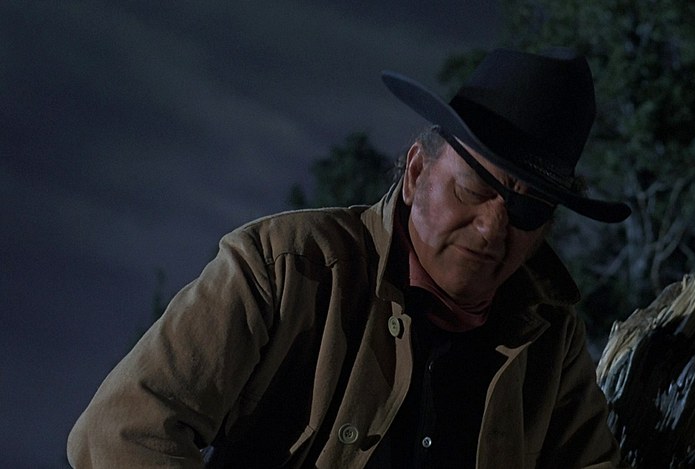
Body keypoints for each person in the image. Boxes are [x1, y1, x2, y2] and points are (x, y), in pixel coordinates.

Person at [67, 48, 631, 468]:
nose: (492, 227)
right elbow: (121, 431)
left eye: (527, 210)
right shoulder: (284, 267)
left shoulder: (550, 339)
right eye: (474, 189)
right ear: (416, 172)